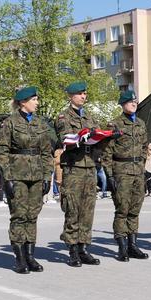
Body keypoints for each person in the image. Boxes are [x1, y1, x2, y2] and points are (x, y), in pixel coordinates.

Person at [0, 86, 54, 273]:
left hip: (37, 174)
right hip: (17, 174)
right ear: (23, 102)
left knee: (32, 215)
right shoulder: (10, 123)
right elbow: (2, 152)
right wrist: (8, 177)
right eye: (34, 99)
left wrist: (47, 176)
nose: (37, 103)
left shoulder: (41, 123)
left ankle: (30, 256)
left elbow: (47, 152)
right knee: (19, 216)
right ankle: (19, 258)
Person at [55, 81, 103, 267]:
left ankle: (83, 248)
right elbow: (64, 138)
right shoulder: (63, 117)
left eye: (85, 93)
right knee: (73, 209)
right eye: (80, 94)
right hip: (73, 168)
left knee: (88, 210)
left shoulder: (90, 117)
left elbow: (97, 138)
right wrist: (82, 137)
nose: (84, 96)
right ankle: (72, 250)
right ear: (71, 96)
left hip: (89, 167)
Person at [101, 90, 148, 261]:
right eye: (130, 102)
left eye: (135, 101)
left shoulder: (141, 124)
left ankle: (133, 245)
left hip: (138, 171)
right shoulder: (114, 124)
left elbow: (144, 147)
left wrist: (142, 162)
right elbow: (106, 153)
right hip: (121, 171)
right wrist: (110, 175)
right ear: (122, 105)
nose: (134, 104)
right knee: (122, 210)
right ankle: (122, 247)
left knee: (135, 210)